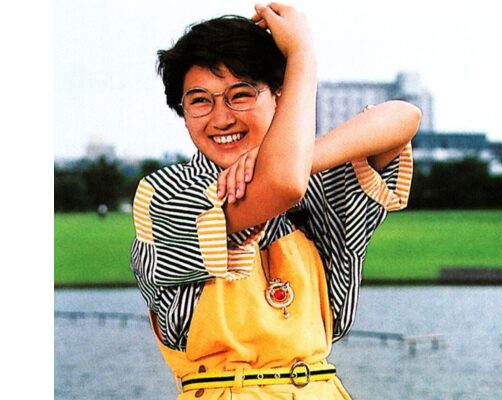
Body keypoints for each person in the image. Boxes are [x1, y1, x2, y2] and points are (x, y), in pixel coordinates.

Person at [130, 3, 420, 399]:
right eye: (199, 101)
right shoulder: (167, 193)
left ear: (281, 98)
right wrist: (301, 55)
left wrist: (300, 158)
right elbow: (282, 185)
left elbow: (403, 117)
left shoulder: (320, 185)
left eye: (241, 95)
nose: (221, 118)